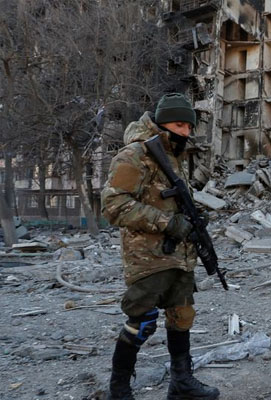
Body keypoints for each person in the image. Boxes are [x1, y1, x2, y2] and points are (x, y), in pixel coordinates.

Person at [101, 93, 219, 400]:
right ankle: (119, 390)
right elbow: (113, 205)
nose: (185, 132)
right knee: (142, 323)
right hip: (147, 257)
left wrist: (191, 221)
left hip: (178, 257)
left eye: (189, 127)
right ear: (161, 122)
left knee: (182, 317)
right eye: (179, 124)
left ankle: (181, 383)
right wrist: (167, 223)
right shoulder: (134, 155)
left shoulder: (173, 159)